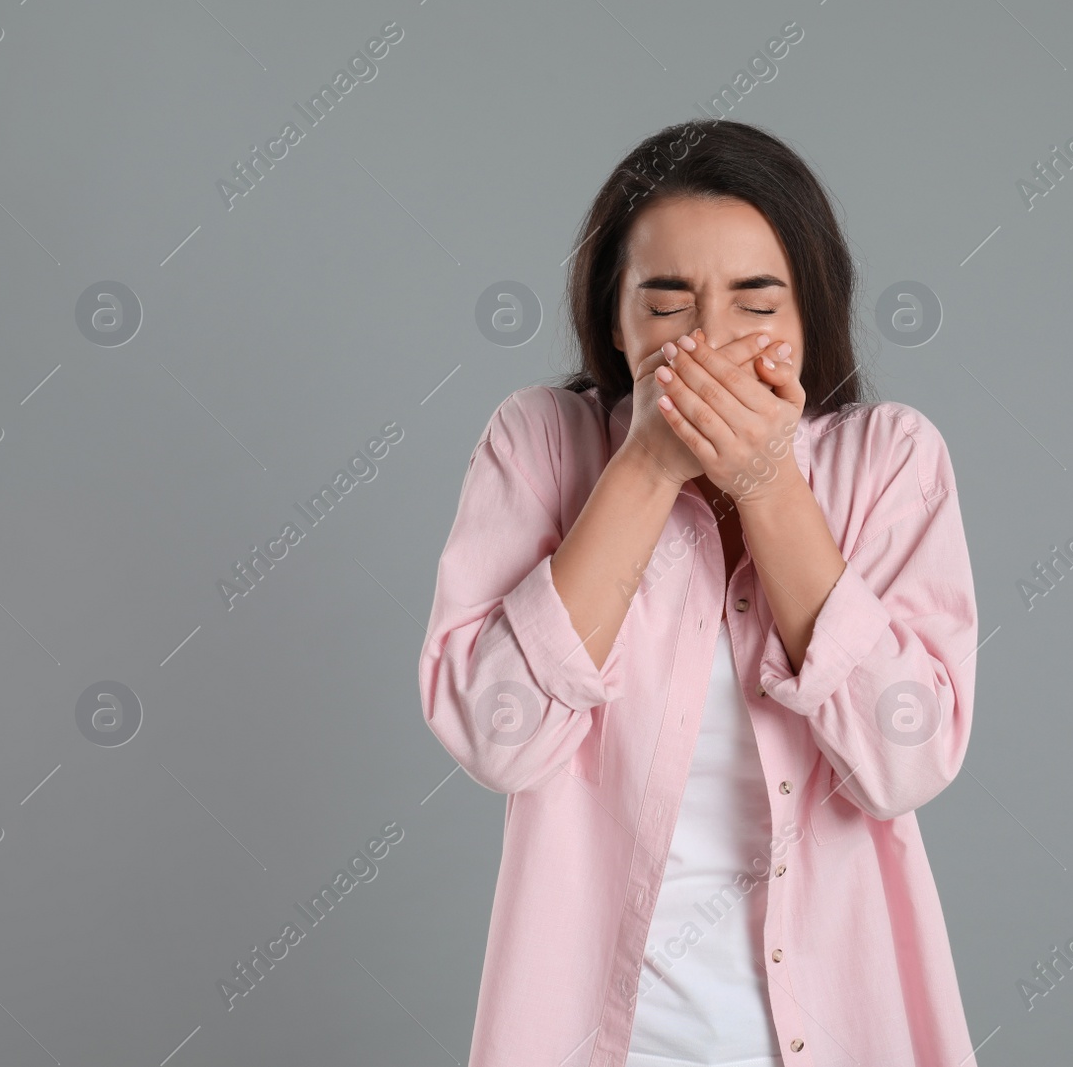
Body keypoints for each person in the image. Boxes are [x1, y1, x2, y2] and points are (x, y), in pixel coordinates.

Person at [419, 118, 980, 1066]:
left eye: (757, 303)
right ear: (613, 321)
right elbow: (496, 738)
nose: (711, 340)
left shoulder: (891, 462)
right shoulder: (542, 445)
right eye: (669, 303)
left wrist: (767, 483)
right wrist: (643, 469)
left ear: (809, 320)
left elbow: (905, 762)